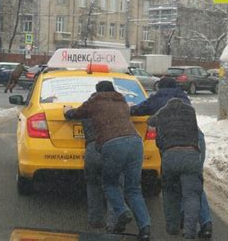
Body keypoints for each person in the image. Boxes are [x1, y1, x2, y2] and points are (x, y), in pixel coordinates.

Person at [64, 81, 151, 241]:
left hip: (108, 145)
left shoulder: (94, 103)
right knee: (132, 189)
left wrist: (67, 112)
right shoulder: (122, 102)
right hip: (135, 143)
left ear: (97, 93)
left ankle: (115, 214)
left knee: (105, 185)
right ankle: (143, 228)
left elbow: (74, 114)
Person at [130, 77, 212, 238]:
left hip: (172, 145)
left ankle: (175, 225)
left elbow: (138, 110)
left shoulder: (157, 99)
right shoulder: (183, 97)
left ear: (159, 87)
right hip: (195, 141)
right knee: (193, 187)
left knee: (172, 188)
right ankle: (205, 223)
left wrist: (128, 109)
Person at [148, 98, 203, 239]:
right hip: (191, 154)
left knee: (170, 193)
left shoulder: (162, 113)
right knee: (191, 195)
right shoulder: (191, 111)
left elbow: (151, 122)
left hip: (169, 155)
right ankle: (189, 232)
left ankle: (172, 228)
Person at [63, 110, 118, 231]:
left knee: (93, 185)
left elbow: (68, 114)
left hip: (92, 149)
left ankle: (96, 220)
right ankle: (113, 224)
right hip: (113, 148)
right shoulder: (118, 107)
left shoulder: (87, 109)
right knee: (114, 186)